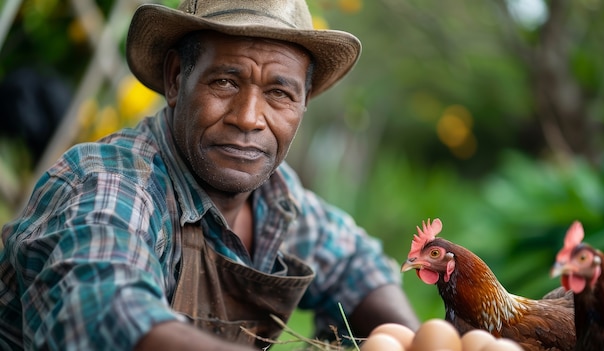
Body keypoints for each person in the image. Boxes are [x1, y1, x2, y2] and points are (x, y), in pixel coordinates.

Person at [0, 0, 420, 350]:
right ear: (176, 80)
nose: (249, 118)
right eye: (224, 82)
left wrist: (419, 340)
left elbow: (356, 265)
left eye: (279, 93)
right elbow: (106, 313)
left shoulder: (276, 198)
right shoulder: (110, 183)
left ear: (303, 102)